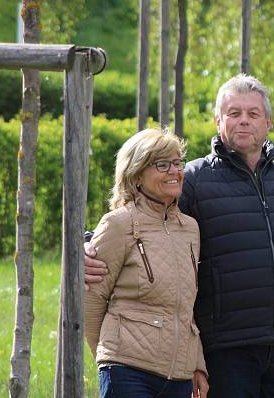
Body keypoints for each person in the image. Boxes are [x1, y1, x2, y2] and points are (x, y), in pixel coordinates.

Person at [86, 74, 274, 397]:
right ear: (218, 122)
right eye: (234, 113)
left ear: (269, 123)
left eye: (253, 113)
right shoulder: (194, 180)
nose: (244, 120)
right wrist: (90, 242)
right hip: (225, 349)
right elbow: (139, 214)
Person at [84, 127, 209, 398]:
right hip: (128, 371)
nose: (174, 171)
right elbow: (92, 299)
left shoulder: (190, 228)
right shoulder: (117, 223)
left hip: (179, 376)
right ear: (137, 174)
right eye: (162, 164)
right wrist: (108, 358)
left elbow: (187, 305)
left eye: (177, 163)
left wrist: (197, 363)